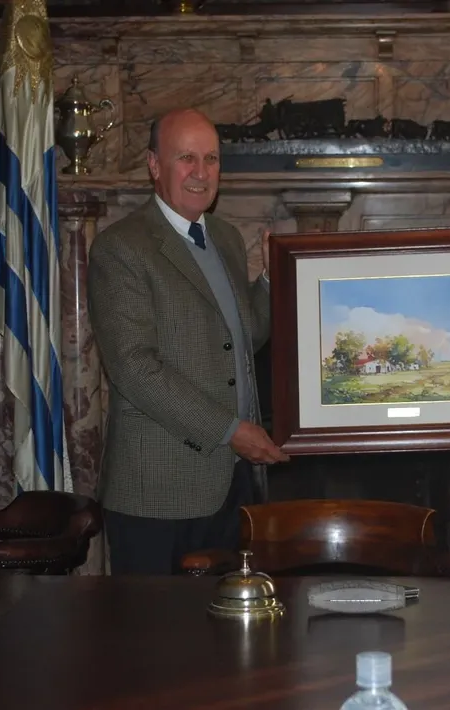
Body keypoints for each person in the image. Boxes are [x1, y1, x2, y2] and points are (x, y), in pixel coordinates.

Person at [88, 107, 290, 575]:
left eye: (212, 159)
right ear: (154, 166)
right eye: (186, 158)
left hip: (234, 483)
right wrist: (230, 430)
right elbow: (134, 368)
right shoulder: (122, 247)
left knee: (227, 638)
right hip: (158, 492)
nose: (201, 173)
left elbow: (243, 338)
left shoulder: (225, 238)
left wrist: (272, 283)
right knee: (157, 643)